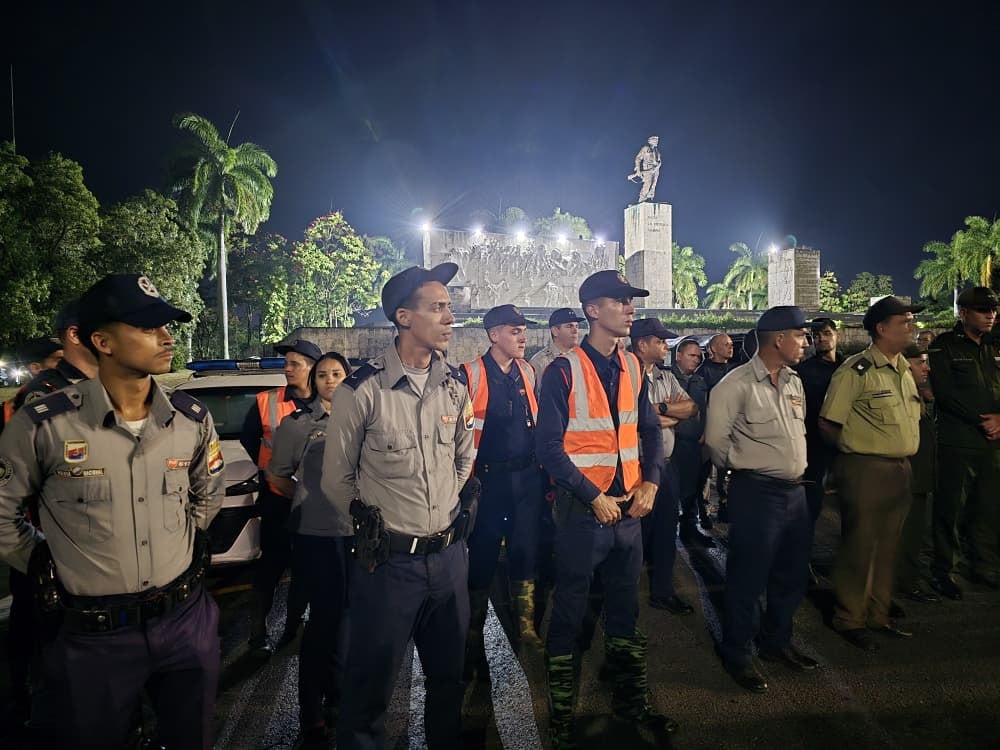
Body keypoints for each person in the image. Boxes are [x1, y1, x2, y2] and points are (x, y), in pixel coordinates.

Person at [0, 273, 224, 749]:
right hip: (94, 638)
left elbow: (208, 492)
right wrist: (38, 560)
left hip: (185, 622)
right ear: (101, 340)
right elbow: (1, 511)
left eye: (166, 326)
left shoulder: (190, 421)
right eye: (146, 327)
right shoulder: (46, 425)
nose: (167, 337)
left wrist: (183, 542)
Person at [321, 263, 476, 750]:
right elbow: (336, 480)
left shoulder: (454, 385)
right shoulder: (362, 390)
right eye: (438, 307)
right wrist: (378, 524)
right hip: (388, 566)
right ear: (404, 317)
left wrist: (440, 512)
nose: (451, 317)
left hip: (449, 562)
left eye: (449, 307)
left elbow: (463, 458)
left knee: (449, 684)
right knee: (369, 694)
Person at [536, 270, 676, 748]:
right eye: (620, 300)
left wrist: (652, 481)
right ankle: (561, 716)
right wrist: (592, 496)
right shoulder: (561, 371)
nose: (630, 307)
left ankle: (630, 700)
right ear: (592, 310)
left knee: (625, 611)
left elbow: (650, 431)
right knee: (570, 612)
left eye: (630, 300)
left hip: (629, 513)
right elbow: (548, 447)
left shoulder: (635, 367)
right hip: (583, 514)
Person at [705, 306, 816, 693]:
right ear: (779, 339)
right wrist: (744, 471)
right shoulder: (734, 386)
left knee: (791, 574)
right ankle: (737, 652)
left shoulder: (793, 382)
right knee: (747, 578)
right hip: (757, 492)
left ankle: (776, 642)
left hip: (795, 492)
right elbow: (716, 444)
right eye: (800, 335)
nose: (806, 342)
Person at [2, 298, 98, 732]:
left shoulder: (104, 386)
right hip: (53, 547)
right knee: (47, 645)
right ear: (76, 336)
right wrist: (36, 555)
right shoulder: (46, 396)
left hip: (95, 551)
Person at [820, 296, 923, 652]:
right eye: (905, 321)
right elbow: (829, 423)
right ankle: (849, 617)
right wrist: (853, 455)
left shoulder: (903, 370)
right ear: (882, 328)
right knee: (860, 546)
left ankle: (877, 616)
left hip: (900, 468)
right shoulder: (856, 370)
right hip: (866, 468)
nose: (912, 327)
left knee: (887, 547)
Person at [268, 352, 352, 748]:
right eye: (322, 375)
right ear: (314, 382)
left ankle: (341, 701)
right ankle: (311, 715)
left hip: (359, 536)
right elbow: (280, 478)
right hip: (317, 538)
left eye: (337, 374)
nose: (330, 380)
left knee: (350, 623)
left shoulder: (364, 420)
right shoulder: (298, 425)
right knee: (321, 627)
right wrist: (314, 501)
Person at [461, 304, 545, 680]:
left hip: (526, 478)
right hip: (488, 481)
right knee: (481, 556)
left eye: (523, 330)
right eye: (514, 330)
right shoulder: (471, 375)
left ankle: (525, 626)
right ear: (494, 335)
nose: (522, 337)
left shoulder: (527, 371)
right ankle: (472, 634)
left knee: (526, 549)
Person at [240, 337, 320, 653]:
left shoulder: (329, 402)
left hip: (314, 504)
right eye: (286, 364)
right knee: (270, 565)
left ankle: (292, 627)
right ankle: (258, 635)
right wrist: (270, 468)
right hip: (277, 498)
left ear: (311, 369)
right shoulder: (266, 401)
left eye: (294, 364)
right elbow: (251, 439)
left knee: (305, 566)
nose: (287, 369)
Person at [927, 286, 1000, 597]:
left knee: (987, 508)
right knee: (951, 510)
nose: (991, 316)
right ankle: (946, 571)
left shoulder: (991, 346)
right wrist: (984, 420)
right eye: (984, 311)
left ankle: (984, 565)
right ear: (964, 313)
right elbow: (944, 393)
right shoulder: (944, 347)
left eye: (993, 310)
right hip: (958, 441)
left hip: (991, 443)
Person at [630, 318, 698, 616]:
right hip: (636, 468)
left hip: (666, 467)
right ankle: (624, 597)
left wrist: (659, 411)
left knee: (665, 531)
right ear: (642, 344)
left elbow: (691, 408)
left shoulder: (664, 377)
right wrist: (666, 416)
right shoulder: (624, 376)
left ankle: (662, 591)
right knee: (634, 536)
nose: (665, 345)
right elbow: (629, 420)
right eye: (659, 341)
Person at [895, 345, 941, 604]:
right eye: (919, 363)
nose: (926, 368)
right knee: (904, 534)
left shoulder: (919, 392)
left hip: (920, 473)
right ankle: (902, 585)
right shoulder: (899, 394)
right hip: (907, 474)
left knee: (913, 533)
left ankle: (906, 581)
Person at [793, 318, 845, 526]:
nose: (821, 339)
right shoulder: (803, 371)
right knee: (811, 503)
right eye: (816, 335)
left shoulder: (849, 367)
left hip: (846, 443)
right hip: (815, 444)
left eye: (826, 333)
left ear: (836, 334)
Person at [670, 338, 713, 537]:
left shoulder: (699, 381)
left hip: (694, 444)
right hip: (674, 444)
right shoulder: (667, 379)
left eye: (698, 356)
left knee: (692, 489)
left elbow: (704, 410)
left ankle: (690, 529)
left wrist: (704, 432)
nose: (696, 360)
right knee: (671, 492)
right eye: (691, 355)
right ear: (678, 356)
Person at [696, 333, 735, 522]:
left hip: (730, 430)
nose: (730, 347)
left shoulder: (735, 370)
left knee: (726, 471)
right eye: (725, 344)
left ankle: (725, 505)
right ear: (713, 349)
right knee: (703, 472)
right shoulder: (703, 372)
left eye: (731, 344)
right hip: (708, 429)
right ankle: (701, 511)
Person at [529, 307, 584, 395]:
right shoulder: (539, 362)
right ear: (555, 331)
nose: (575, 330)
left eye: (577, 326)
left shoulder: (582, 359)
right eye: (569, 326)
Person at [629, 135, 662, 203]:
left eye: (657, 140)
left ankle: (650, 197)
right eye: (655, 140)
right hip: (648, 168)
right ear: (650, 141)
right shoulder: (645, 148)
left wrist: (657, 166)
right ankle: (642, 198)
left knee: (654, 184)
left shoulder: (656, 151)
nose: (657, 142)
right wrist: (638, 170)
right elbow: (638, 158)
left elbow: (659, 161)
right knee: (648, 183)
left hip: (655, 169)